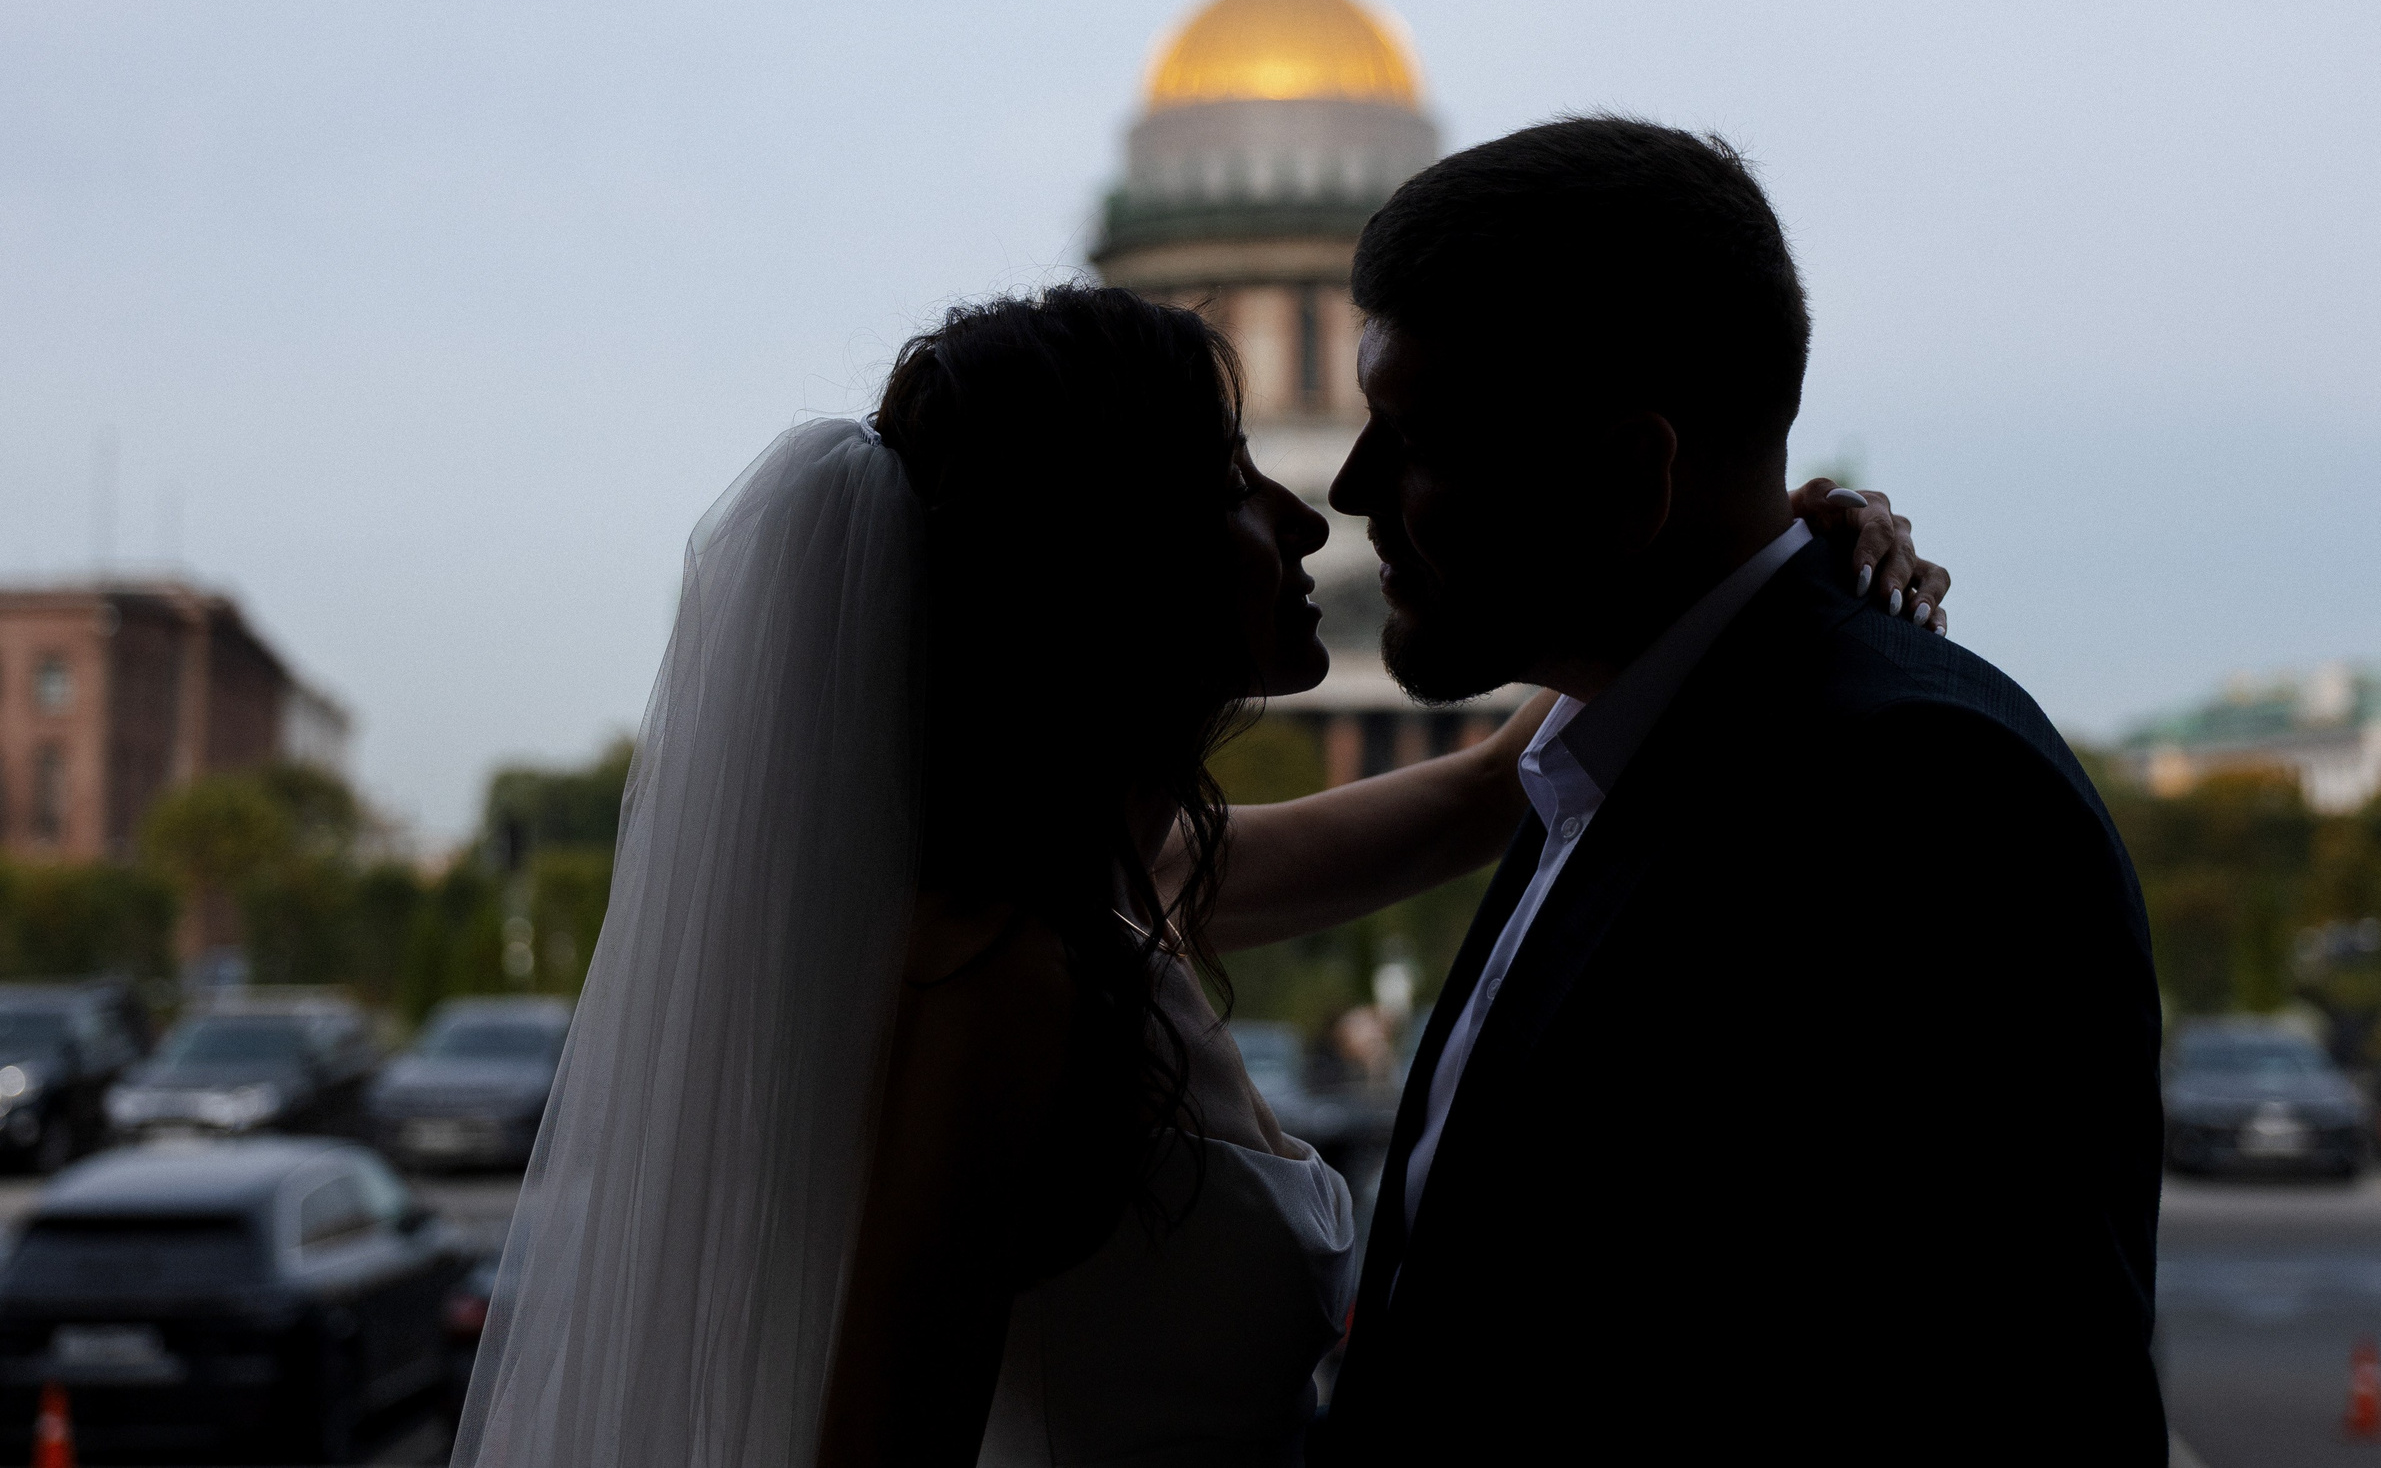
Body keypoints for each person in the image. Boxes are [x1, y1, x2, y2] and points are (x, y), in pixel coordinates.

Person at [452, 284, 1948, 1467]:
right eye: (1235, 482)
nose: (1312, 515)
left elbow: (1490, 792)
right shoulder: (1004, 977)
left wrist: (1752, 551)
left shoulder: (1107, 896)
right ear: (1109, 553)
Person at [1310, 117, 2165, 1464]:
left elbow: (2019, 1389)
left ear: (1632, 478)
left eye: (1417, 437)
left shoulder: (1915, 802)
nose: (1348, 495)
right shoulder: (1612, 754)